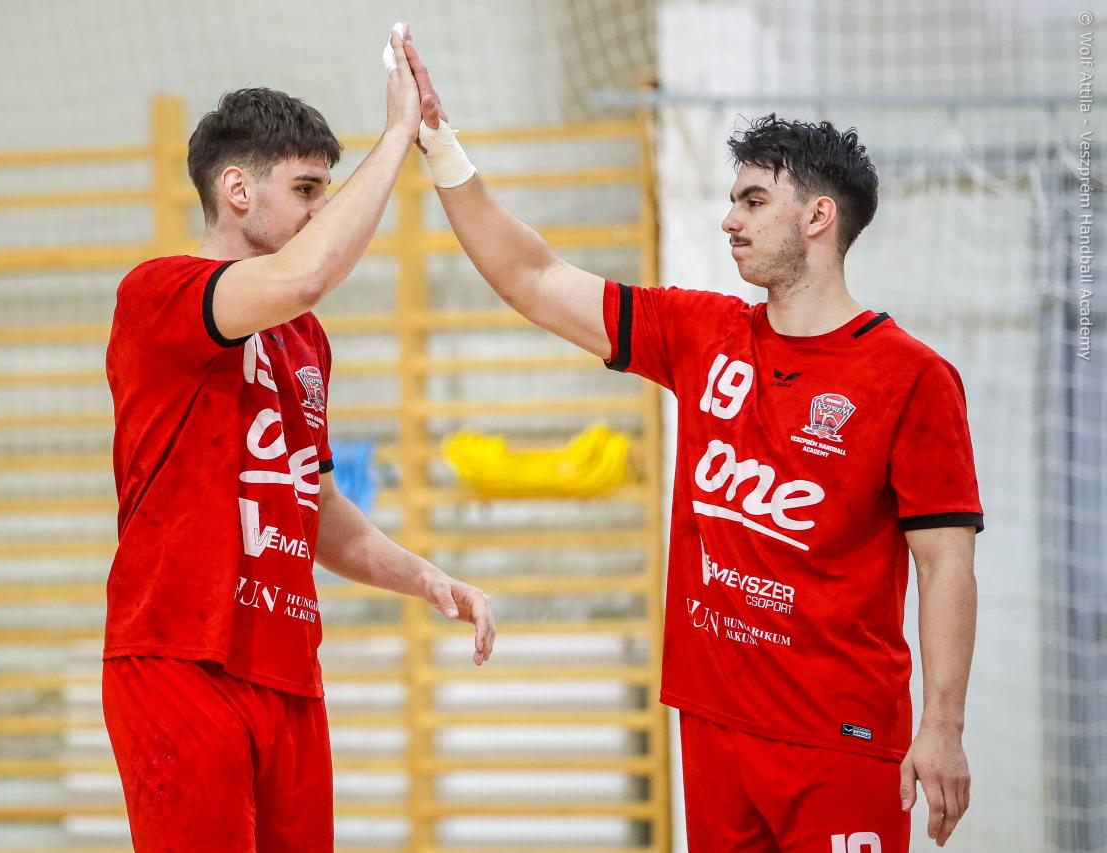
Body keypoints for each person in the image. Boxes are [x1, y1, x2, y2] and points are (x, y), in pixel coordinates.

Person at [401, 34, 980, 853]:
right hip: (714, 727)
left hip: (840, 739)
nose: (729, 219)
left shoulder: (913, 377)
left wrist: (944, 726)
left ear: (818, 216)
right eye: (732, 200)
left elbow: (945, 562)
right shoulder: (702, 333)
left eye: (752, 200)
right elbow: (533, 278)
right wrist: (439, 144)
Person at [101, 25, 495, 852]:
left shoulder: (304, 339)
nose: (321, 208)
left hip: (285, 669)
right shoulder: (158, 293)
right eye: (307, 188)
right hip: (180, 657)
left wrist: (425, 575)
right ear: (237, 190)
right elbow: (306, 273)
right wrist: (400, 134)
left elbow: (312, 503)